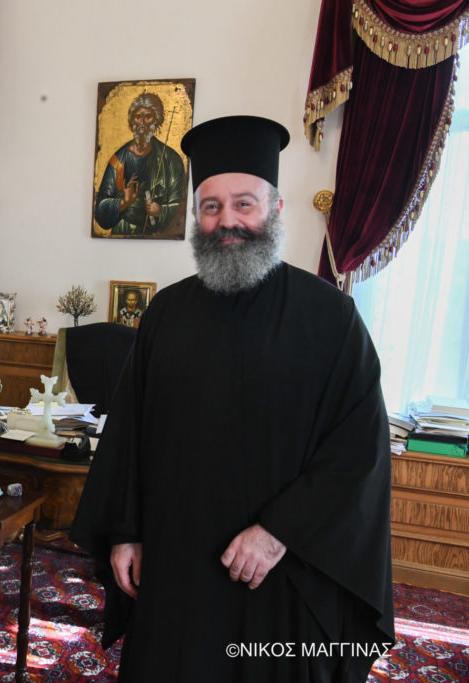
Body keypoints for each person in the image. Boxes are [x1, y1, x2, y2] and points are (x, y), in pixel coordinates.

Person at [72, 116, 394, 682]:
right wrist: (126, 532)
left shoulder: (331, 318)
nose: (228, 222)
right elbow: (130, 433)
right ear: (196, 215)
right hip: (178, 566)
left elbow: (358, 452)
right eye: (212, 206)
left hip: (283, 574)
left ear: (275, 208)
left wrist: (278, 533)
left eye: (243, 204)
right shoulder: (166, 314)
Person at [94, 92, 186, 236]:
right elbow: (100, 209)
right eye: (138, 117)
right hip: (122, 232)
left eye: (148, 117)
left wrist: (160, 211)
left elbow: (181, 205)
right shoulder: (118, 160)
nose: (142, 124)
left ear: (156, 121)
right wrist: (123, 202)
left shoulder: (170, 159)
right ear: (132, 122)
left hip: (158, 236)